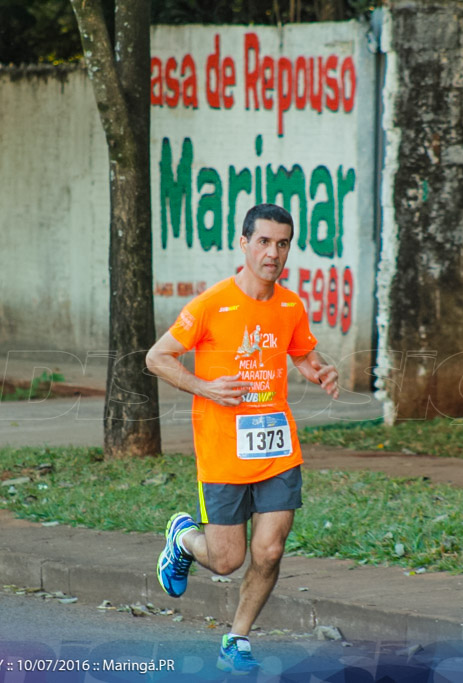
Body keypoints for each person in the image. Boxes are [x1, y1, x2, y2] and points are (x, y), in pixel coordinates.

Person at [145, 203, 339, 675]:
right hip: (223, 452)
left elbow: (302, 354)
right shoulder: (211, 304)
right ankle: (184, 539)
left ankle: (237, 638)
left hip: (276, 449)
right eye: (264, 241)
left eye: (282, 243)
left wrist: (319, 371)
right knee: (227, 560)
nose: (273, 252)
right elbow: (157, 357)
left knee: (270, 550)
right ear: (244, 243)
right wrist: (204, 386)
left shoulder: (290, 305)